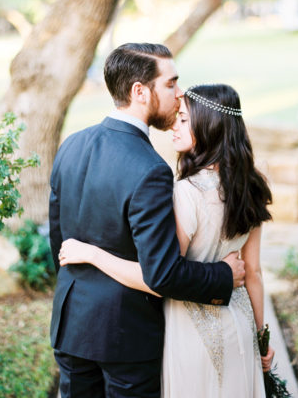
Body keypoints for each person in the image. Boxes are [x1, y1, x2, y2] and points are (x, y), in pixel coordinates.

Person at [49, 44, 245, 398]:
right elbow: (163, 273)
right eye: (171, 84)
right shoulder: (150, 169)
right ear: (140, 91)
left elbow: (58, 243)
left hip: (71, 325)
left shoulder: (71, 146)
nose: (179, 94)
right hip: (126, 336)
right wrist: (223, 276)